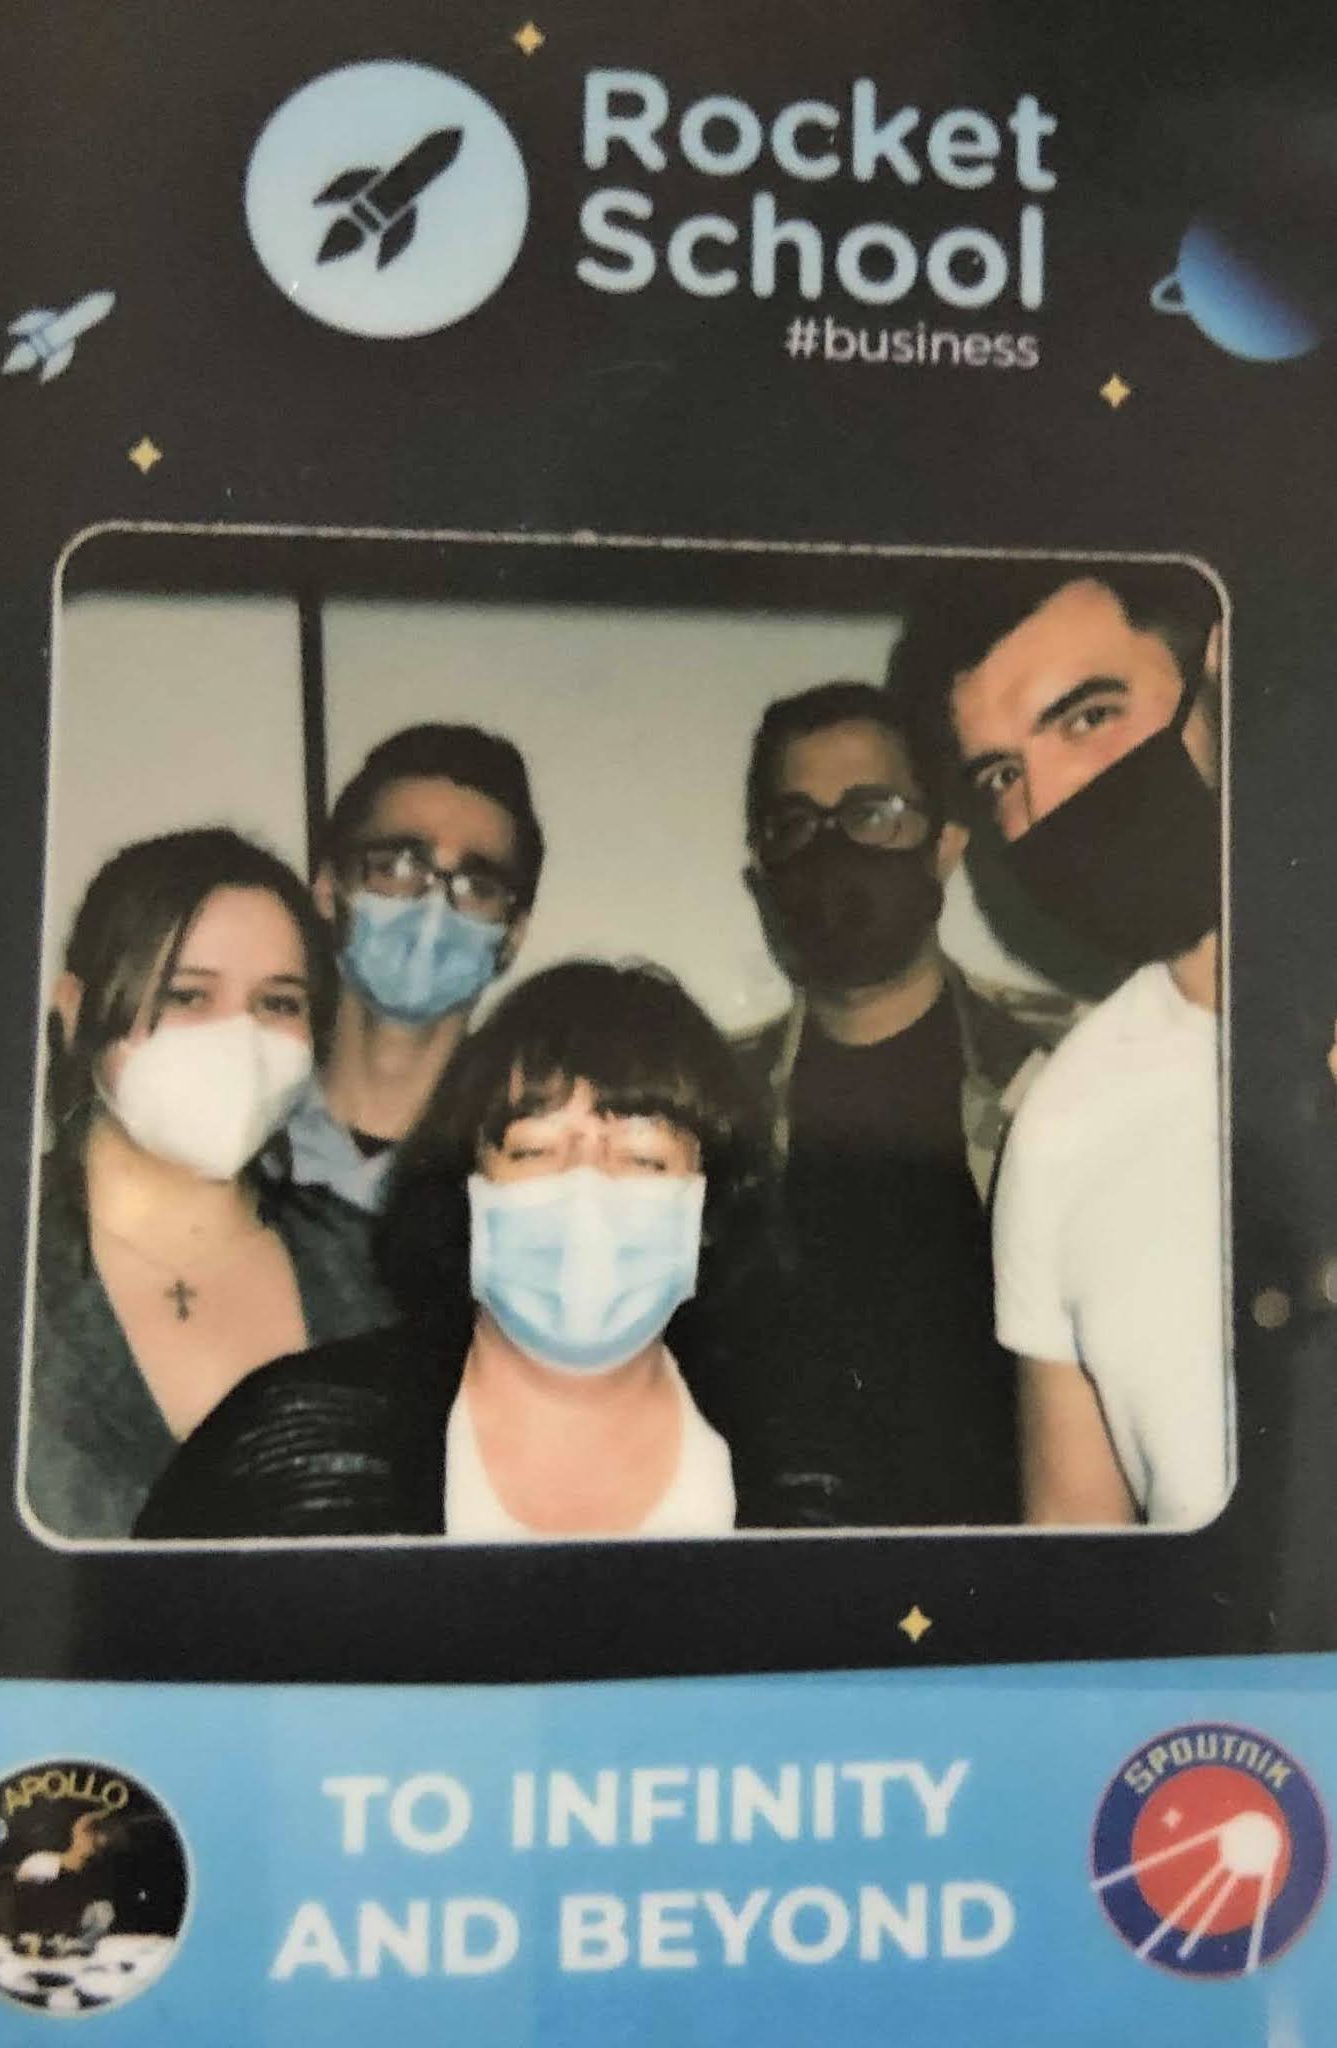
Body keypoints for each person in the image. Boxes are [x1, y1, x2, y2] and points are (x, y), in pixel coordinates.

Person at [137, 961, 849, 1541]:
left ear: (710, 1211)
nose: (585, 1191)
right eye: (534, 1150)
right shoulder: (286, 1443)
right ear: (466, 1189)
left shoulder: (816, 1472)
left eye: (642, 1159)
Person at [896, 558, 1229, 1528]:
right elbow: (1078, 1553)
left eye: (1087, 717)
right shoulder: (1058, 1129)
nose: (1046, 804)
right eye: (1002, 775)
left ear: (1222, 678)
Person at [736, 679, 1066, 1525]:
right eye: (794, 824)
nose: (831, 848)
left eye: (872, 814)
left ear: (946, 845)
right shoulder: (708, 1099)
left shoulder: (1066, 1074)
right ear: (761, 868)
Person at [26, 829, 397, 1541]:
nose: (237, 1039)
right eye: (188, 995)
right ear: (75, 1011)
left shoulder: (375, 1270)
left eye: (279, 1003)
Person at [276, 723, 544, 1211]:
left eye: (476, 887)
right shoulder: (240, 1133)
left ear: (512, 936)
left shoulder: (535, 1171)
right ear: (328, 889)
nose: (433, 910)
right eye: (398, 868)